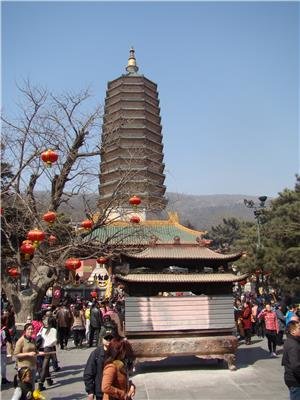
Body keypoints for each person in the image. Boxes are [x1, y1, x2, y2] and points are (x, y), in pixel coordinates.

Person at [84, 331, 122, 400]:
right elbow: (88, 372)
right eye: (106, 338)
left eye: (110, 338)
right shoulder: (96, 354)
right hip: (101, 392)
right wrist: (90, 391)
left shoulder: (117, 353)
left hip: (115, 392)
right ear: (102, 339)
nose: (108, 340)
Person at [14, 323, 38, 388]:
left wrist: (39, 353)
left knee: (32, 387)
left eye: (32, 329)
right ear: (25, 331)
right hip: (24, 368)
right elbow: (16, 354)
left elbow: (35, 351)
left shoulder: (33, 339)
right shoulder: (20, 341)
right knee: (25, 388)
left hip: (33, 366)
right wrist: (28, 354)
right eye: (29, 329)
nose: (31, 331)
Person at [38, 316, 57, 391]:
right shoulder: (53, 330)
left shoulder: (43, 328)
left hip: (41, 347)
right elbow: (54, 340)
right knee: (45, 366)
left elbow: (39, 336)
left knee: (46, 365)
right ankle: (41, 383)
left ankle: (49, 380)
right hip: (48, 348)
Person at [282, 320, 300, 400]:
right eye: (299, 328)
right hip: (295, 380)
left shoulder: (290, 340)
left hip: (291, 378)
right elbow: (295, 366)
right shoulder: (293, 345)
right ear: (292, 331)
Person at [1, 314, 13, 385]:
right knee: (3, 365)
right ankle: (3, 378)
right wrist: (10, 351)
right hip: (3, 349)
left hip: (2, 349)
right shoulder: (4, 329)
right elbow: (8, 341)